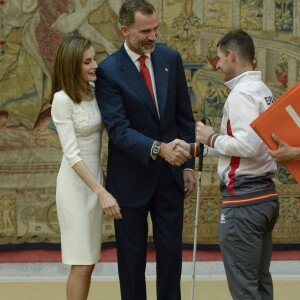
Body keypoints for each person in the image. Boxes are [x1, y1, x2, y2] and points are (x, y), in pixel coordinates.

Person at [95, 1, 196, 299]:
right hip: (129, 182)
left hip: (170, 180)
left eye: (156, 29)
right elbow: (118, 130)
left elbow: (183, 116)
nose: (153, 36)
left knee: (170, 261)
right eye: (145, 31)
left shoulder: (170, 58)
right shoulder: (109, 71)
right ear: (124, 30)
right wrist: (159, 149)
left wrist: (187, 165)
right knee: (131, 263)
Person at [182, 30, 279, 299]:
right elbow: (247, 147)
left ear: (232, 56)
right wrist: (196, 148)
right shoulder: (263, 90)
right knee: (259, 283)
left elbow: (248, 146)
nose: (217, 64)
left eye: (220, 57)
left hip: (243, 204)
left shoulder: (240, 95)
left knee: (245, 289)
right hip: (263, 197)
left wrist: (210, 136)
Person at [51, 36, 122, 300]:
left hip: (95, 185)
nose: (95, 66)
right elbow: (71, 155)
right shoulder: (62, 100)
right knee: (80, 262)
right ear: (72, 66)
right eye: (87, 62)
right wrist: (101, 192)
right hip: (75, 188)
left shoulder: (94, 92)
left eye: (95, 59)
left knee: (89, 261)